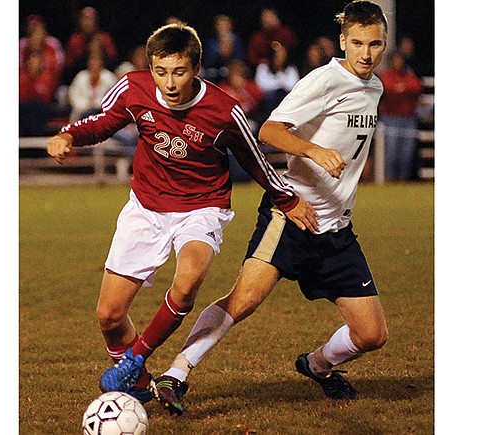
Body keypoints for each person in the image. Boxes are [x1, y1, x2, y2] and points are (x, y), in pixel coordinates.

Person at [46, 22, 317, 404]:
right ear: (151, 66)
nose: (169, 83)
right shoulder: (134, 87)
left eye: (179, 72)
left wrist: (287, 198)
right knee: (108, 315)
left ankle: (134, 359)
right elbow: (102, 123)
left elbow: (254, 160)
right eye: (161, 71)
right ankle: (138, 385)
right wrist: (69, 134)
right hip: (146, 207)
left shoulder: (224, 110)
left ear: (196, 69)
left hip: (201, 208)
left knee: (187, 284)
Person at [154, 0, 389, 415]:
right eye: (357, 43)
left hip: (336, 230)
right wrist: (315, 151)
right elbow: (271, 129)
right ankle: (176, 373)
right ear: (342, 41)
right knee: (243, 300)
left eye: (374, 44)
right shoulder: (323, 81)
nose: (366, 54)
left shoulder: (375, 87)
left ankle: (317, 366)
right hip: (293, 215)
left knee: (372, 334)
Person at [378, 51, 423, 181]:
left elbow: (416, 87)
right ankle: (388, 179)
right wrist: (403, 89)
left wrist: (401, 89)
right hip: (390, 118)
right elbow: (387, 88)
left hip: (408, 118)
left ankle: (404, 180)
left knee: (407, 153)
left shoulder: (409, 74)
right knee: (391, 152)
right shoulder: (387, 75)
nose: (398, 63)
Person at [63, 7, 119, 85]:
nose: (88, 23)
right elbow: (68, 68)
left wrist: (100, 51)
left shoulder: (105, 39)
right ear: (80, 21)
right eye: (85, 19)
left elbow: (114, 64)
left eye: (91, 19)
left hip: (102, 79)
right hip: (81, 80)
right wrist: (86, 52)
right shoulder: (75, 40)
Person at [254, 41, 299, 124]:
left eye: (282, 54)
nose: (280, 57)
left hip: (285, 98)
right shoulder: (263, 68)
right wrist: (279, 84)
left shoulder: (291, 69)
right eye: (278, 54)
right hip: (267, 99)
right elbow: (261, 85)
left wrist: (276, 84)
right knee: (272, 96)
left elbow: (293, 86)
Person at [67, 52, 117, 123]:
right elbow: (73, 95)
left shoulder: (109, 77)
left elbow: (113, 98)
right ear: (88, 62)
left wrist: (96, 105)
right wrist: (86, 105)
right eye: (93, 60)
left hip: (102, 112)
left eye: (97, 60)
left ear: (101, 62)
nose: (95, 63)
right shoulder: (81, 76)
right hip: (82, 110)